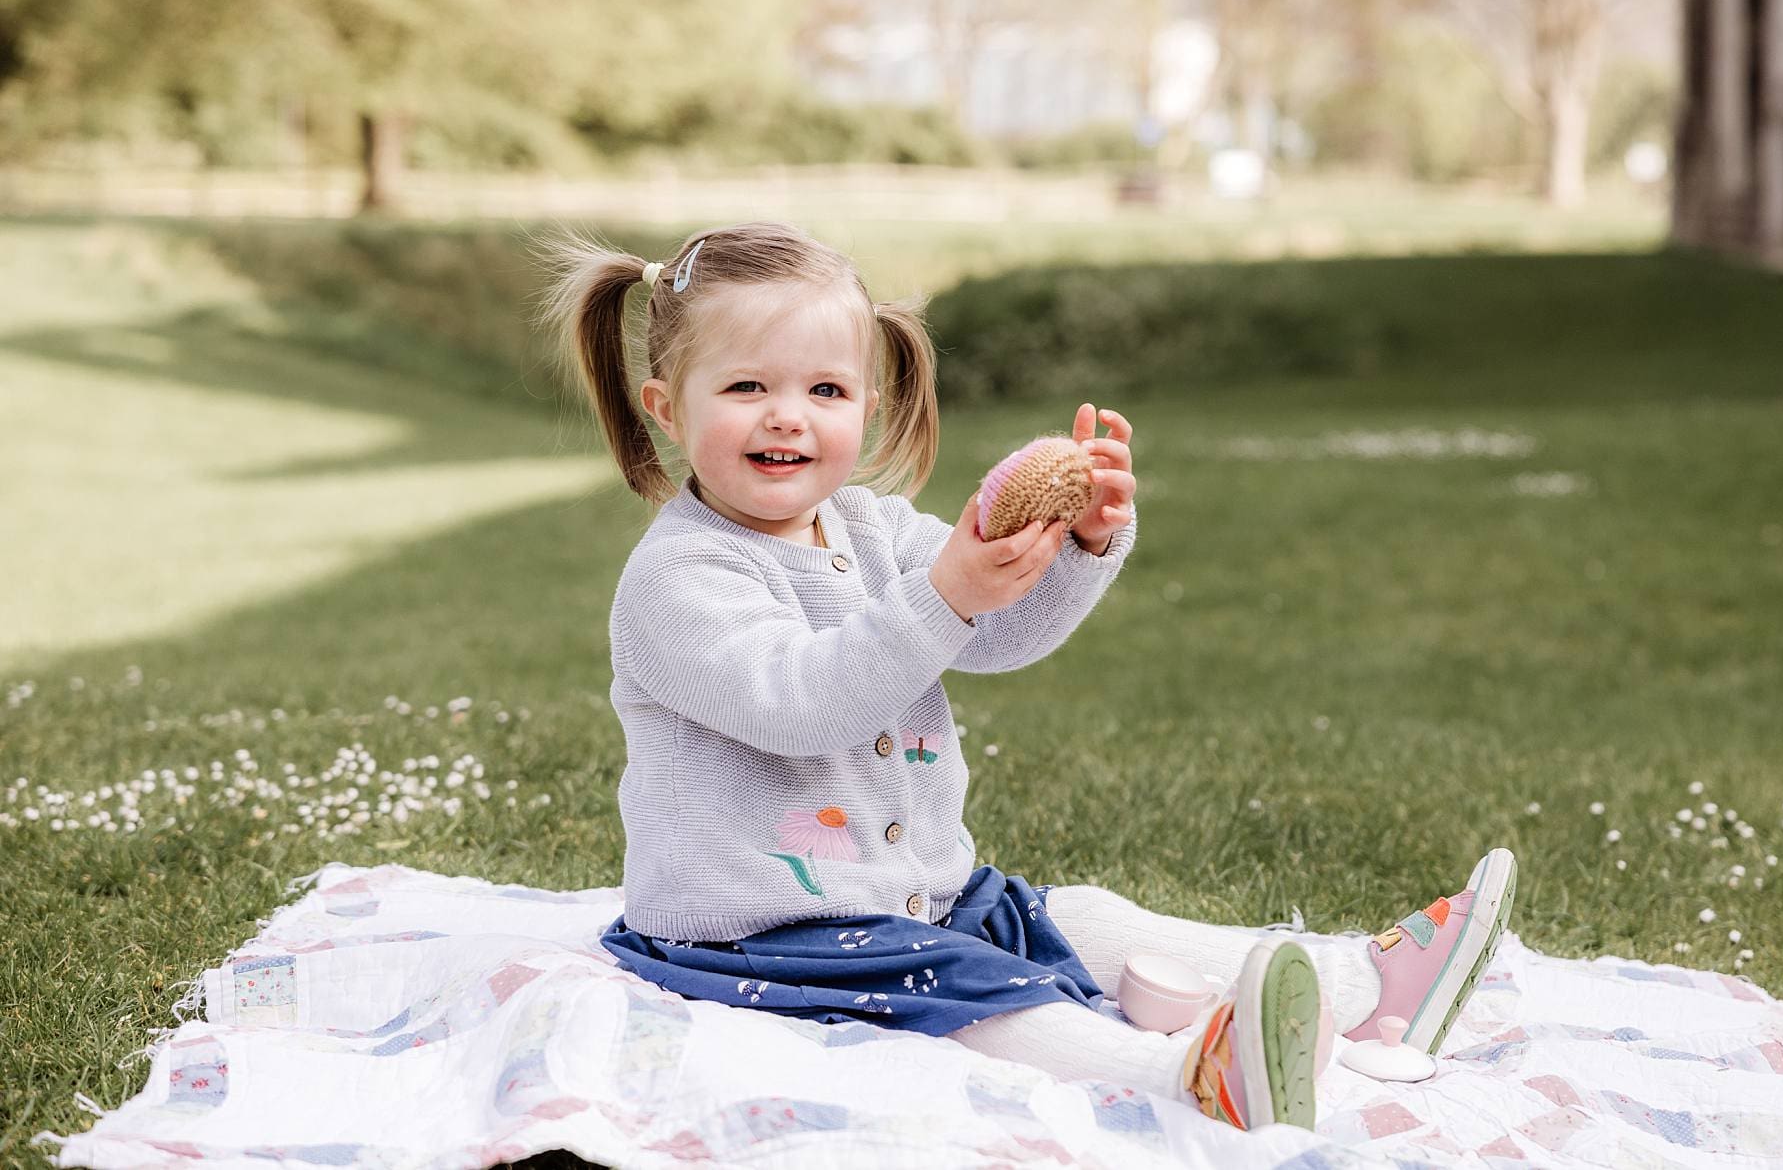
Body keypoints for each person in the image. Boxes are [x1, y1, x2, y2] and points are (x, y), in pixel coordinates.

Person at [529, 221, 1519, 1130]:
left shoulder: (869, 528)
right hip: (759, 925)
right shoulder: (681, 576)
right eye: (747, 388)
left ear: (868, 406)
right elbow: (802, 701)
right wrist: (945, 593)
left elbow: (992, 633)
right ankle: (1181, 1071)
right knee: (975, 990)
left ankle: (1366, 987)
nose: (788, 417)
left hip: (915, 890)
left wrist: (1081, 544)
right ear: (666, 407)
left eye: (825, 391)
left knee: (1080, 919)